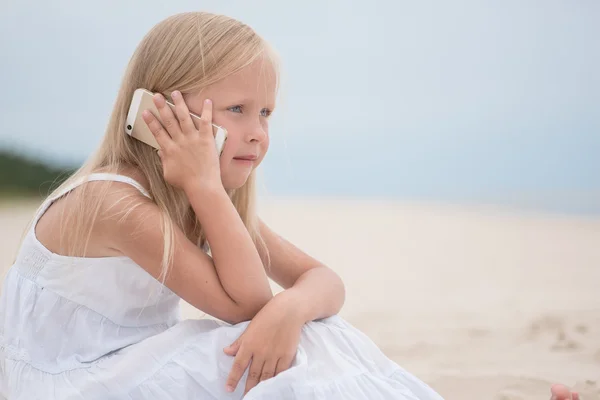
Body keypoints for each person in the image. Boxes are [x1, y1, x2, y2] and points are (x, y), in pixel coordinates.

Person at [0, 11, 577, 400]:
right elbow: (248, 304)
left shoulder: (208, 203)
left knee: (318, 331)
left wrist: (291, 307)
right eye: (236, 110)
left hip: (126, 366)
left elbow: (323, 281)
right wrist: (207, 192)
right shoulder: (113, 205)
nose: (256, 133)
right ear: (159, 111)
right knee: (283, 347)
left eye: (266, 114)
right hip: (69, 384)